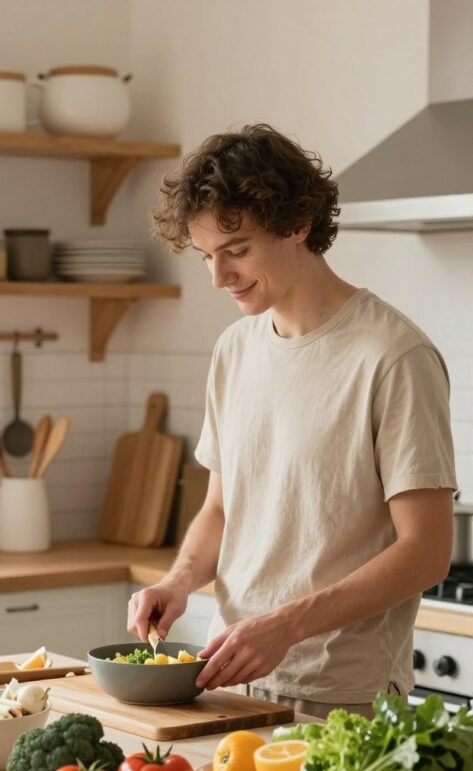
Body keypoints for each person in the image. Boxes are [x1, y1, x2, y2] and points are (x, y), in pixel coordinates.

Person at [127, 123, 457, 718]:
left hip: (343, 698)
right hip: (229, 679)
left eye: (237, 250)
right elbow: (221, 511)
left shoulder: (393, 355)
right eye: (207, 256)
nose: (218, 277)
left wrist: (285, 625)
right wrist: (177, 582)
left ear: (297, 223)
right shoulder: (234, 349)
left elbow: (428, 551)